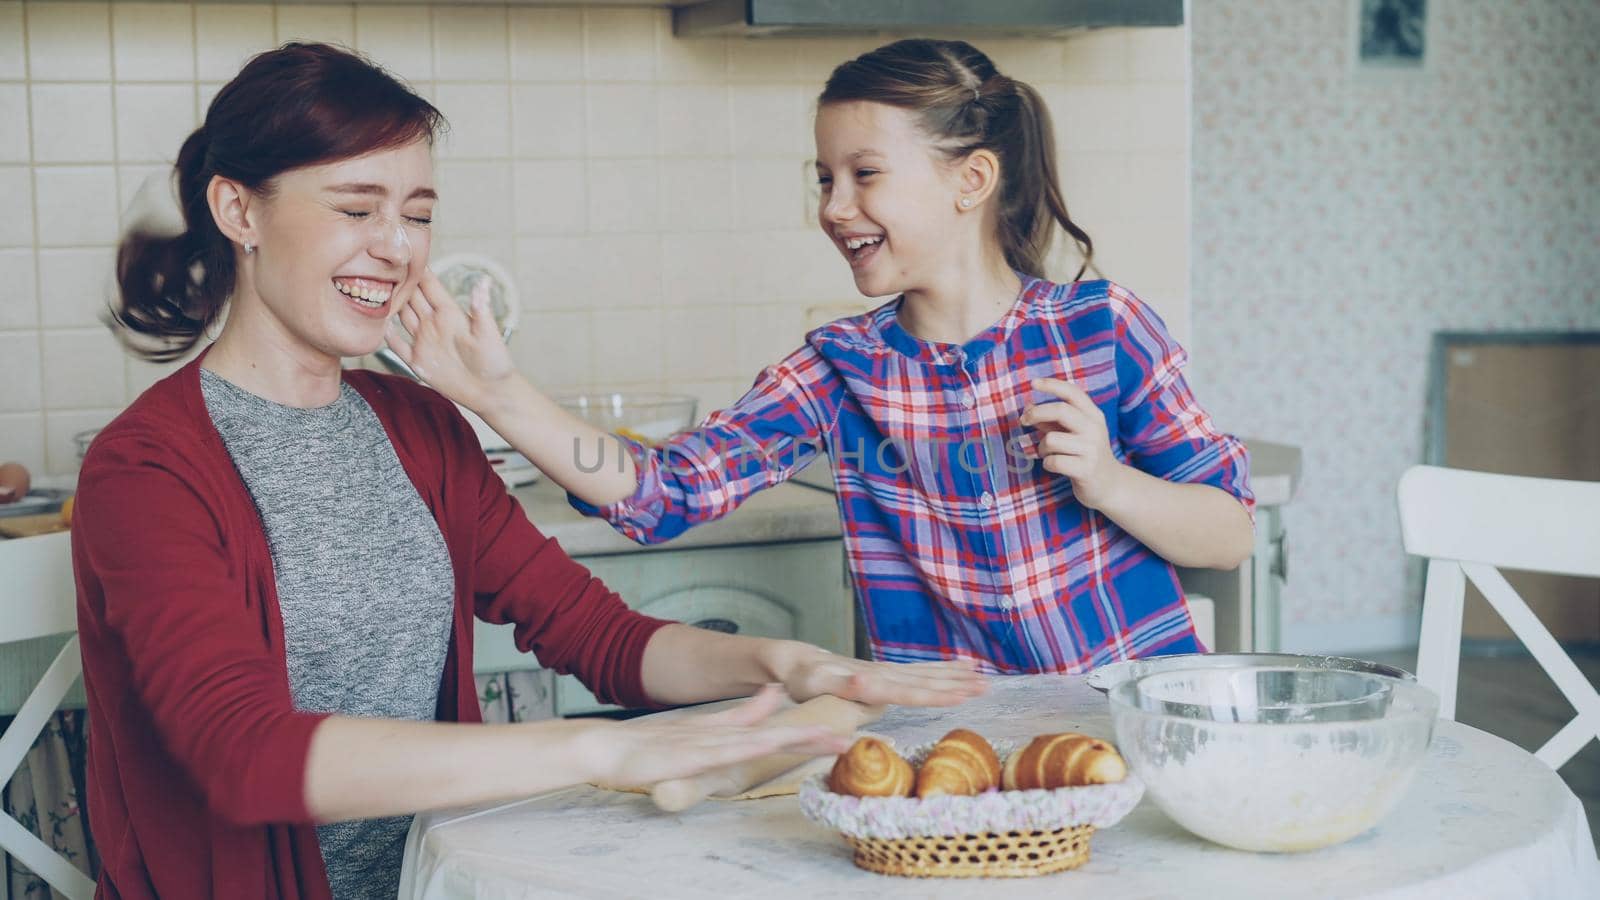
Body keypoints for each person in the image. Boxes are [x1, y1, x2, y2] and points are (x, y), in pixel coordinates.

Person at [74, 43, 984, 900]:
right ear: (240, 213)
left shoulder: (421, 428)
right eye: (357, 209)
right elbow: (244, 757)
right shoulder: (147, 470)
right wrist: (599, 756)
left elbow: (600, 638)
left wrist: (783, 664)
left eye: (418, 214)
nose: (397, 247)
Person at [389, 38, 1256, 676]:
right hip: (957, 751)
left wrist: (1108, 479)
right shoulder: (840, 368)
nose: (834, 207)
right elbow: (663, 494)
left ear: (972, 181)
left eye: (864, 174)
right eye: (823, 178)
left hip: (1139, 723)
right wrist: (498, 394)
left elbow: (1229, 533)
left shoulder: (1102, 330)